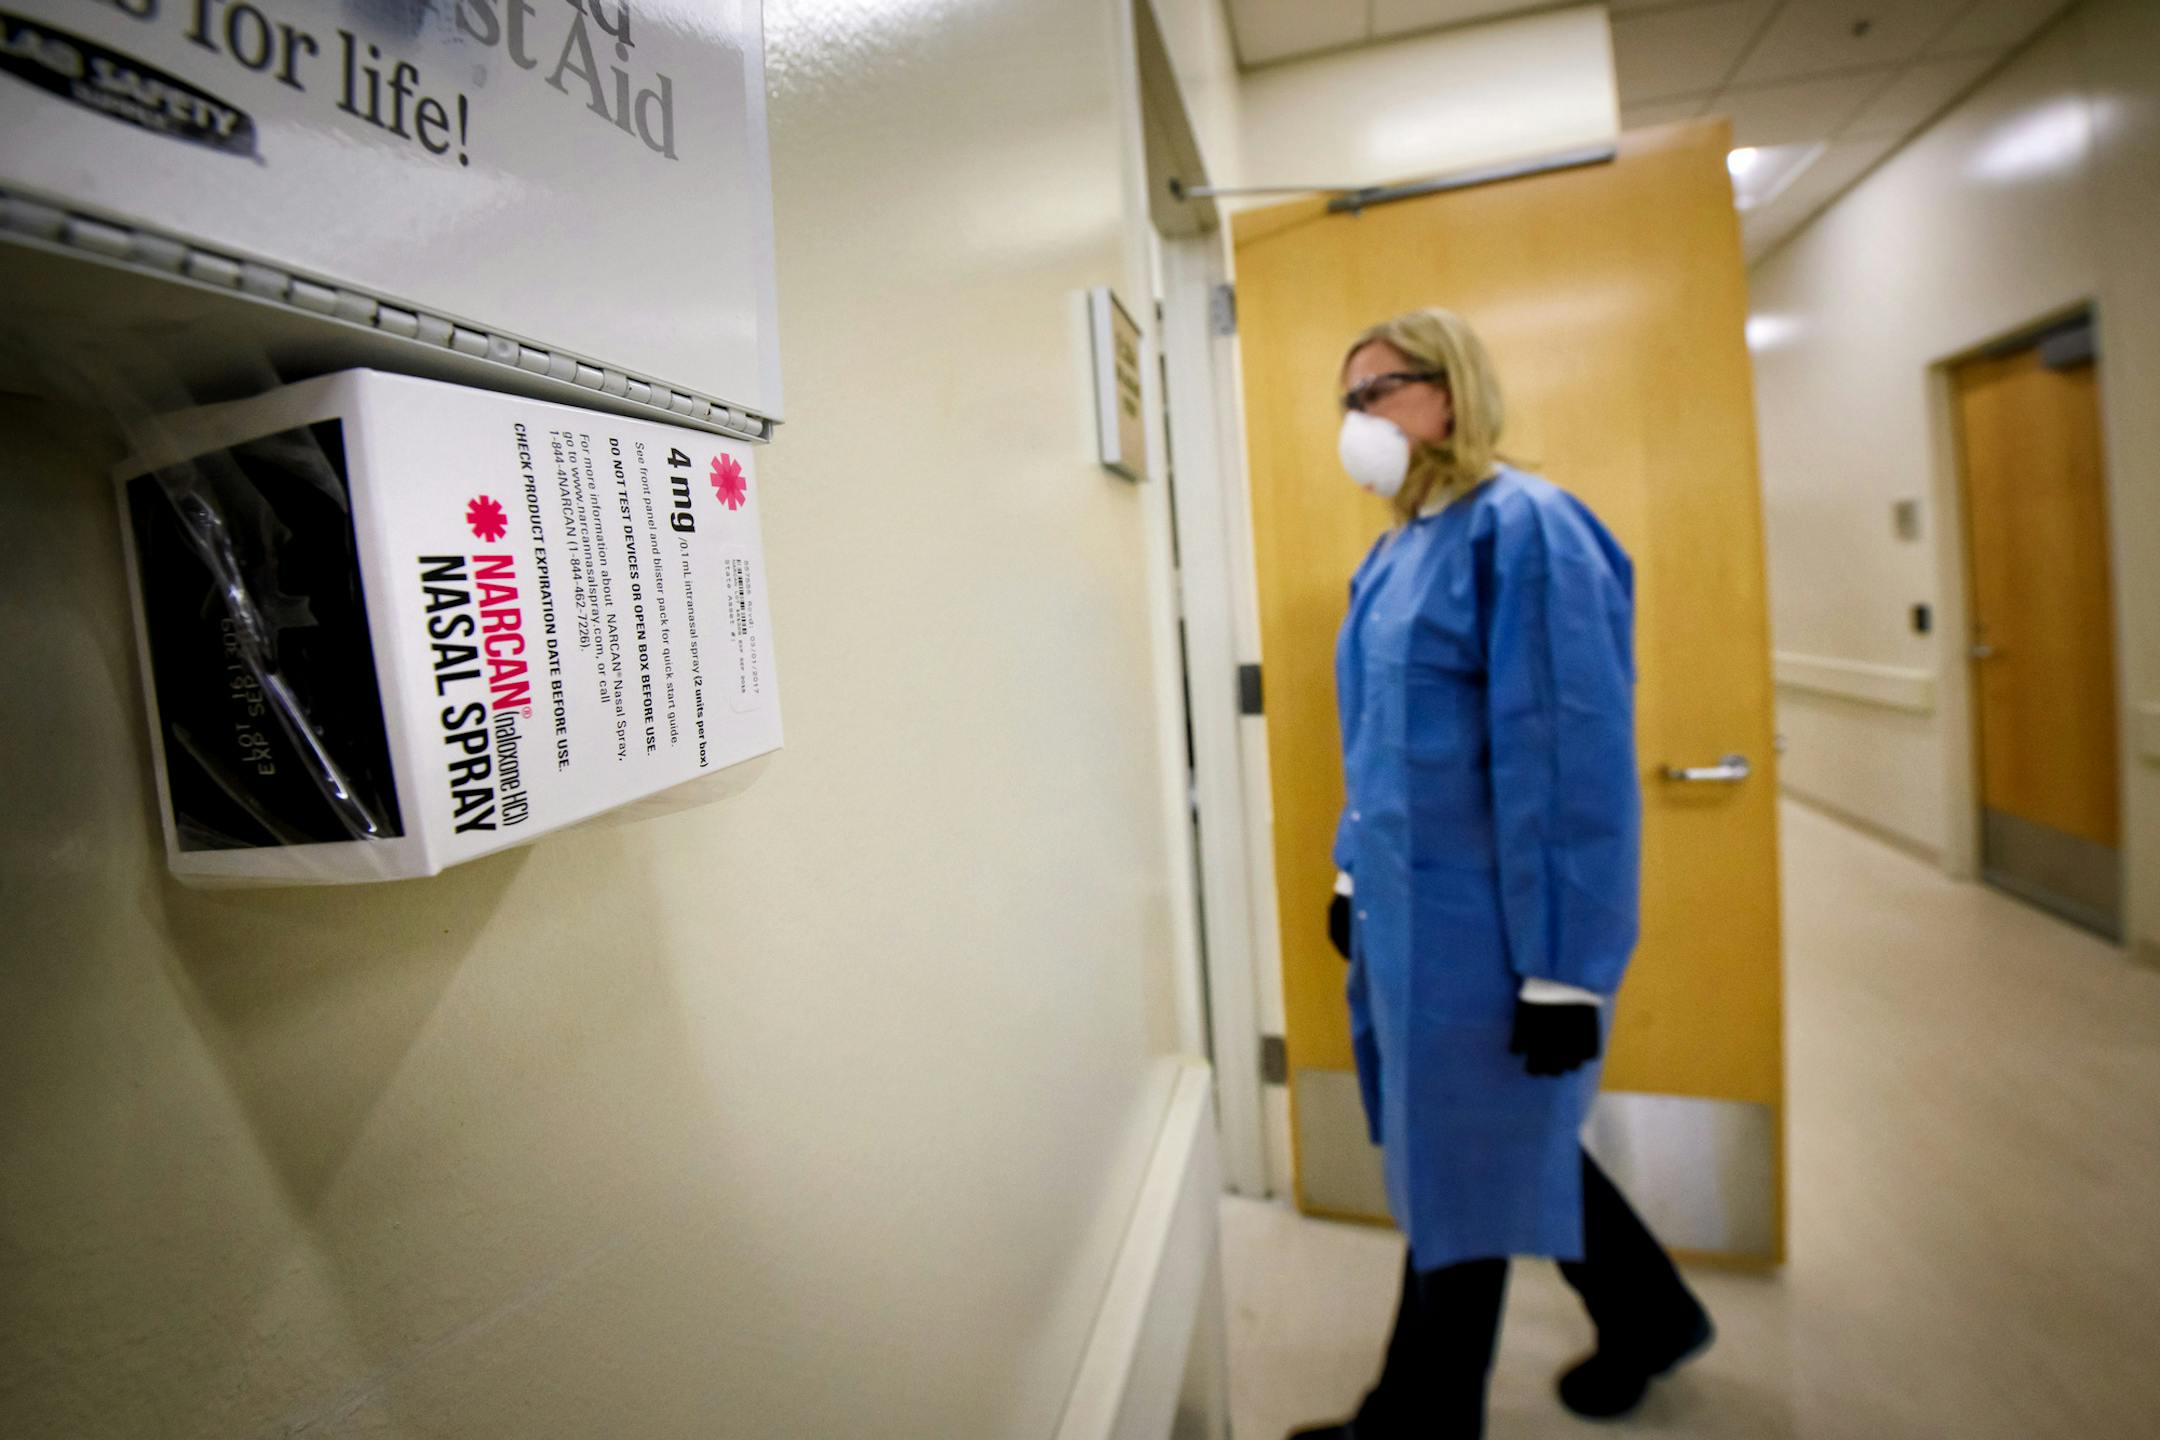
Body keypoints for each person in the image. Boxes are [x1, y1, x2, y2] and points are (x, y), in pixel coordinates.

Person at [1292, 309, 1711, 1440]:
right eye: (1347, 400)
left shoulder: (1529, 528)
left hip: (1494, 932)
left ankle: (1415, 1421)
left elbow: (1567, 760)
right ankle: (1652, 1316)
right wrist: (1351, 875)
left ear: (1450, 392)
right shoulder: (1394, 553)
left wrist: (1565, 970)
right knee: (1480, 1142)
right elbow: (1378, 742)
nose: (1357, 419)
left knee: (1464, 1164)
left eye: (1377, 391)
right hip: (1411, 922)